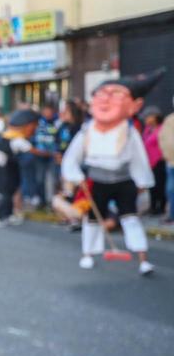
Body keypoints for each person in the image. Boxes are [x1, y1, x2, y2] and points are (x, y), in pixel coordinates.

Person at [61, 69, 162, 275]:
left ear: (134, 106)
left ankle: (143, 259)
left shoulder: (129, 131)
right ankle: (88, 254)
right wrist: (76, 177)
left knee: (130, 218)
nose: (106, 101)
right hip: (96, 179)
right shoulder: (87, 130)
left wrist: (142, 182)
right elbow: (72, 157)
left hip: (123, 180)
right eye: (101, 95)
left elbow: (139, 159)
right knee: (92, 219)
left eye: (116, 95)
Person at [0, 109, 39, 226]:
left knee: (10, 190)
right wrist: (52, 154)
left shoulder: (6, 135)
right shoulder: (17, 139)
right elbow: (33, 151)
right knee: (7, 193)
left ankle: (6, 215)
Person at [141, 107, 166, 217]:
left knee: (160, 185)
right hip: (149, 162)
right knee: (151, 185)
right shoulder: (147, 129)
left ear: (155, 117)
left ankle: (160, 207)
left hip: (159, 161)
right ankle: (152, 206)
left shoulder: (162, 129)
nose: (146, 119)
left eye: (148, 116)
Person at [160, 98, 174, 224]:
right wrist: (165, 154)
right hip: (171, 161)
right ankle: (172, 214)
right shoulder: (169, 120)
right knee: (170, 189)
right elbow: (162, 138)